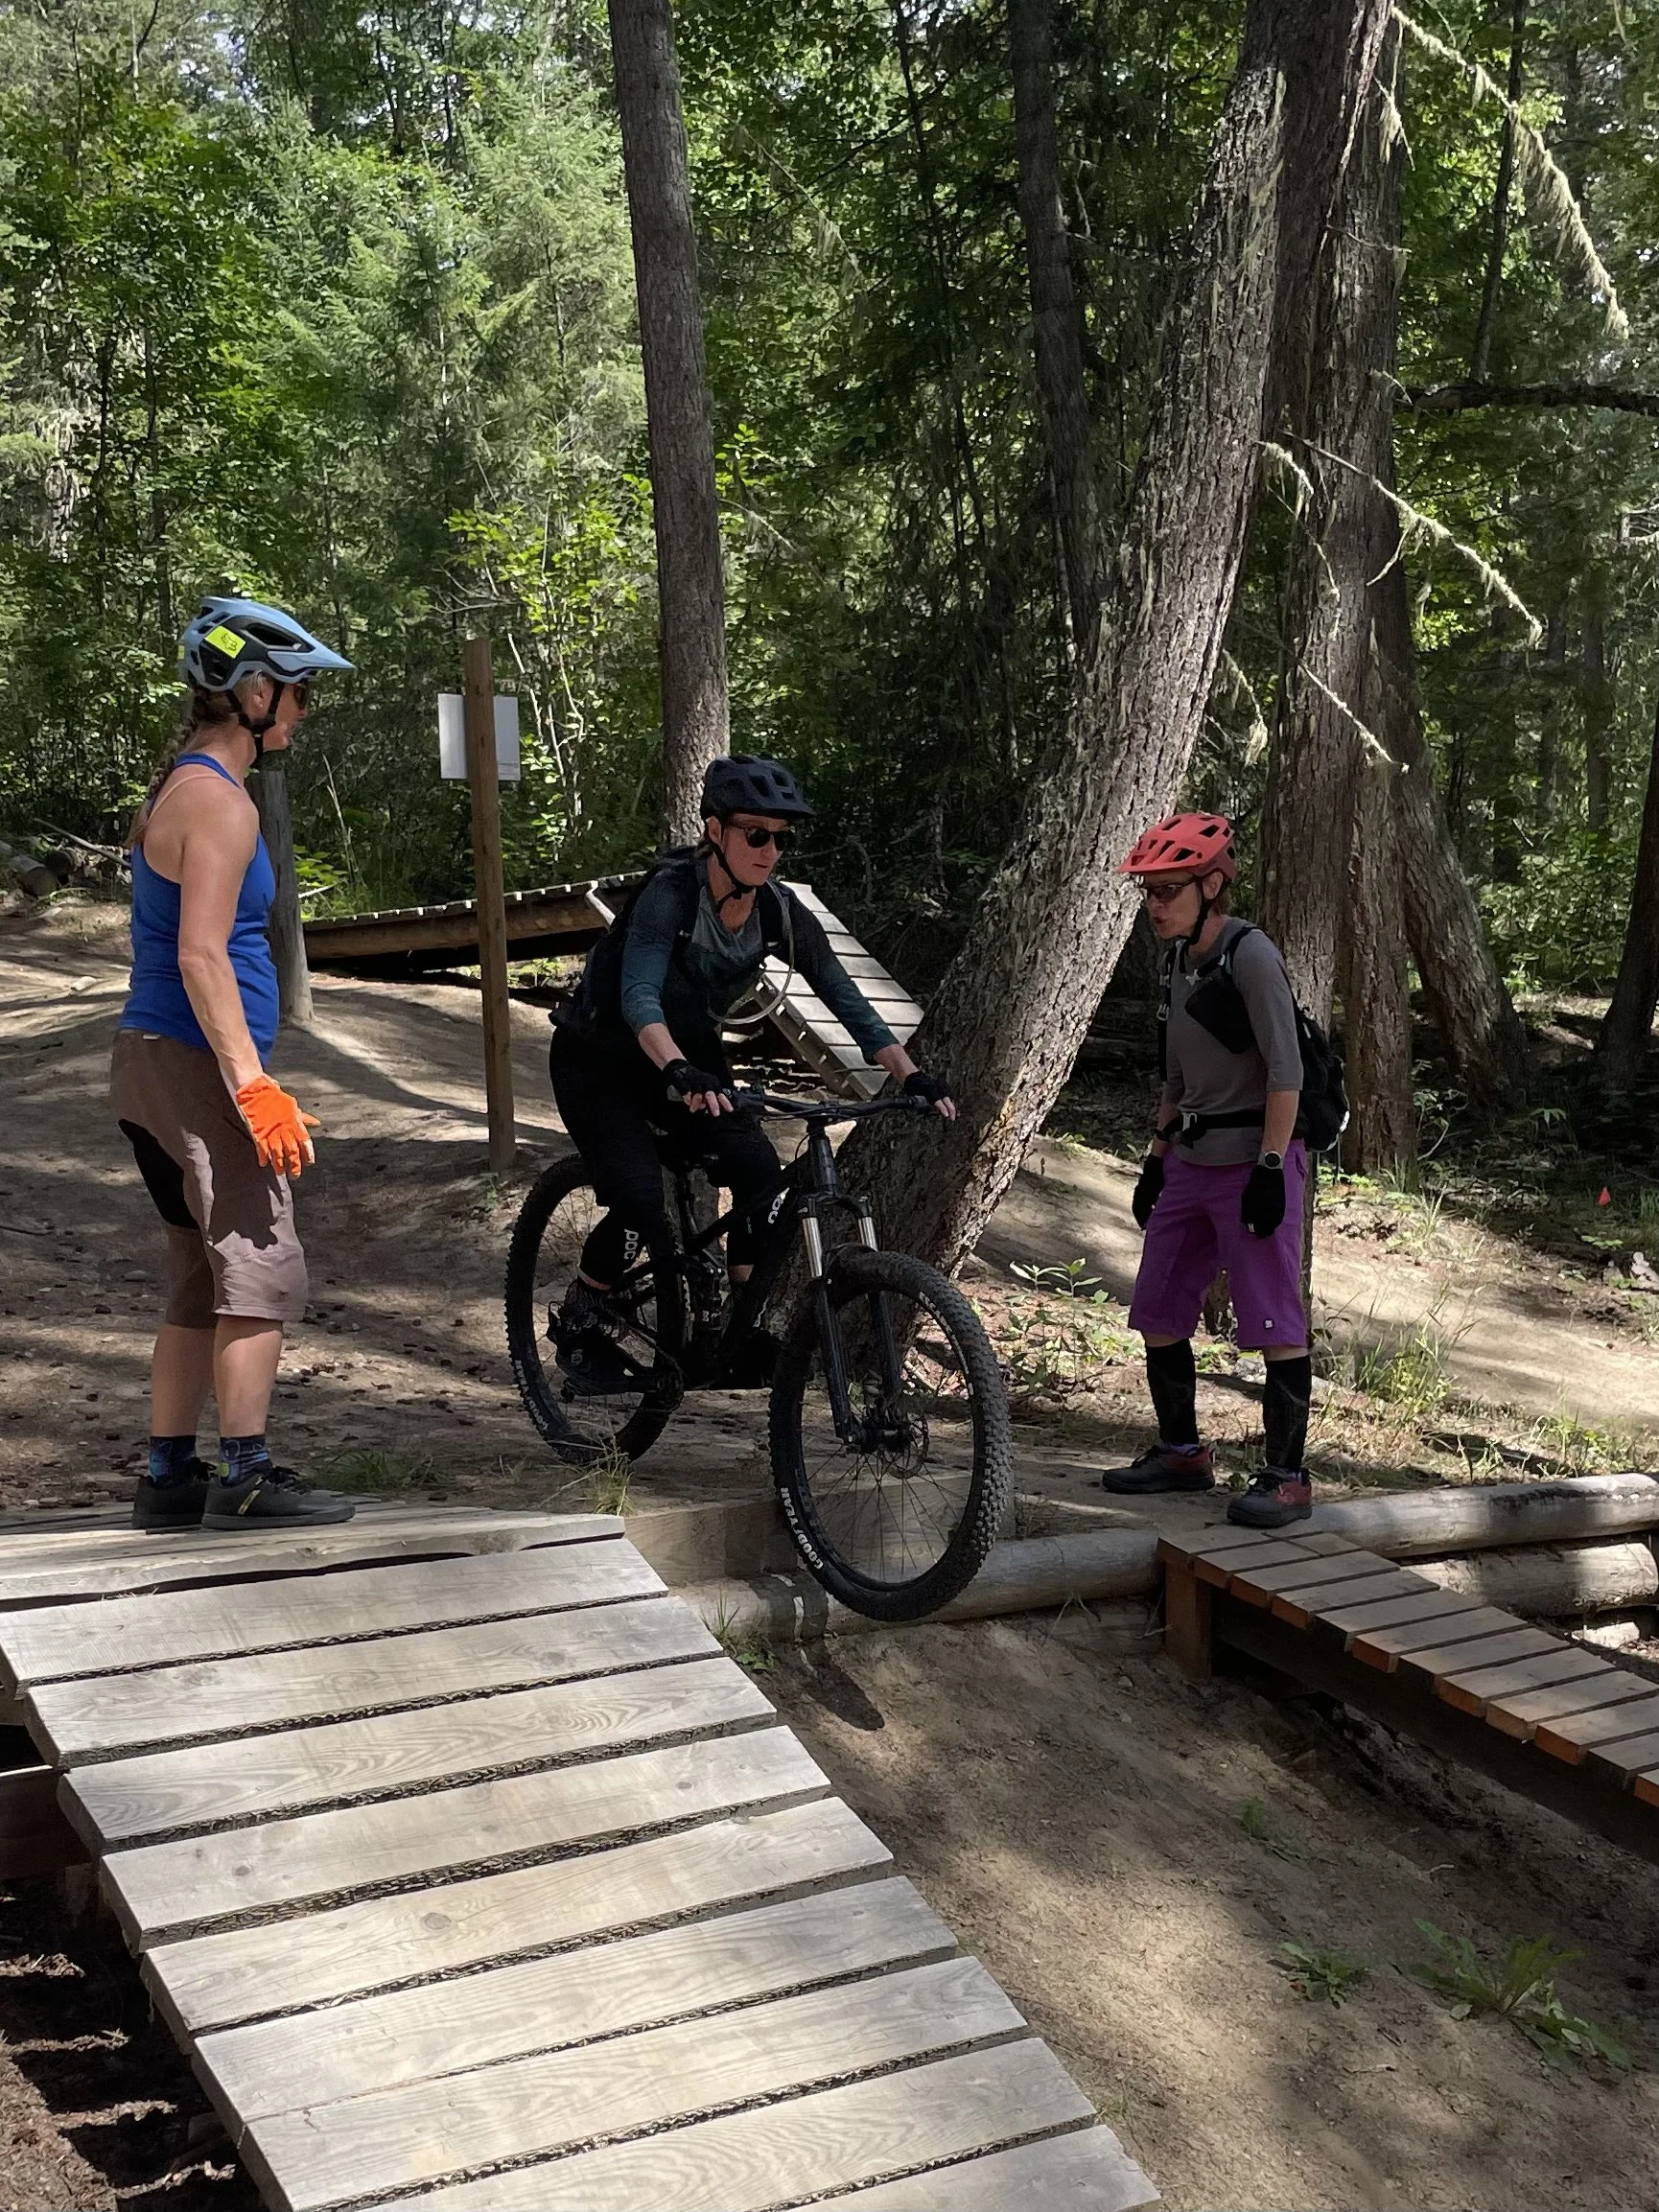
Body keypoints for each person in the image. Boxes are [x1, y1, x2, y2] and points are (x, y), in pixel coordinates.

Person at [549, 753, 953, 1392]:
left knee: (760, 1173)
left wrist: (910, 1075)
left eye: (781, 838)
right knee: (638, 1197)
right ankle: (581, 1320)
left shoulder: (779, 911)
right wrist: (677, 1067)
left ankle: (737, 1330)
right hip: (601, 1054)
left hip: (690, 1054)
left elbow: (845, 999)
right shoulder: (671, 894)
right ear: (716, 831)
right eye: (756, 834)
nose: (770, 850)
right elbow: (638, 997)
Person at [114, 596, 356, 1531]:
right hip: (192, 1063)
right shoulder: (218, 803)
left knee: (194, 1274)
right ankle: (244, 1473)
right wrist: (250, 1082)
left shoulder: (181, 786)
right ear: (252, 691)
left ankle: (168, 1475)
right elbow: (202, 955)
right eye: (296, 693)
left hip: (146, 1060)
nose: (302, 710)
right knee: (259, 1260)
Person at [1102, 812, 1315, 1528]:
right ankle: (1182, 1452)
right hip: (1190, 1162)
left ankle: (1287, 1476)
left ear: (1212, 884)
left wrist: (1270, 1167)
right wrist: (1155, 1162)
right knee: (1158, 1308)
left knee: (1273, 1318)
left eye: (1169, 889)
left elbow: (1286, 1075)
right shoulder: (1175, 961)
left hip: (1254, 1159)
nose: (1155, 904)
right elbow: (1174, 1080)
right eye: (1149, 892)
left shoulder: (1250, 956)